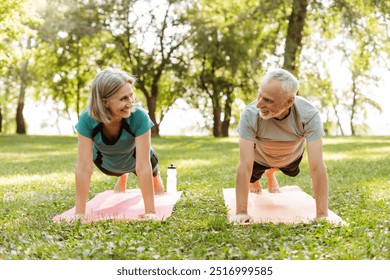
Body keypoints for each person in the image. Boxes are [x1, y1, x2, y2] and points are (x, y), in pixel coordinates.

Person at [233, 68, 329, 224]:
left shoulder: (308, 115)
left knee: (292, 172)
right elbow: (244, 165)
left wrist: (322, 215)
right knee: (251, 176)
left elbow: (317, 166)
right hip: (259, 159)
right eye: (260, 95)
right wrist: (241, 212)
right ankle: (259, 178)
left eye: (268, 100)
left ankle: (270, 174)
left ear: (290, 101)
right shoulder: (250, 114)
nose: (259, 104)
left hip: (289, 159)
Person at [74, 67, 164, 221]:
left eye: (131, 96)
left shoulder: (139, 116)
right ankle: (123, 175)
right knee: (116, 169)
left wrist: (150, 212)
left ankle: (154, 176)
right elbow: (83, 168)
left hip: (135, 158)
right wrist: (79, 214)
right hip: (107, 162)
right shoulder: (87, 119)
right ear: (105, 102)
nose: (130, 103)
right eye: (123, 99)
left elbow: (143, 166)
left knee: (157, 183)